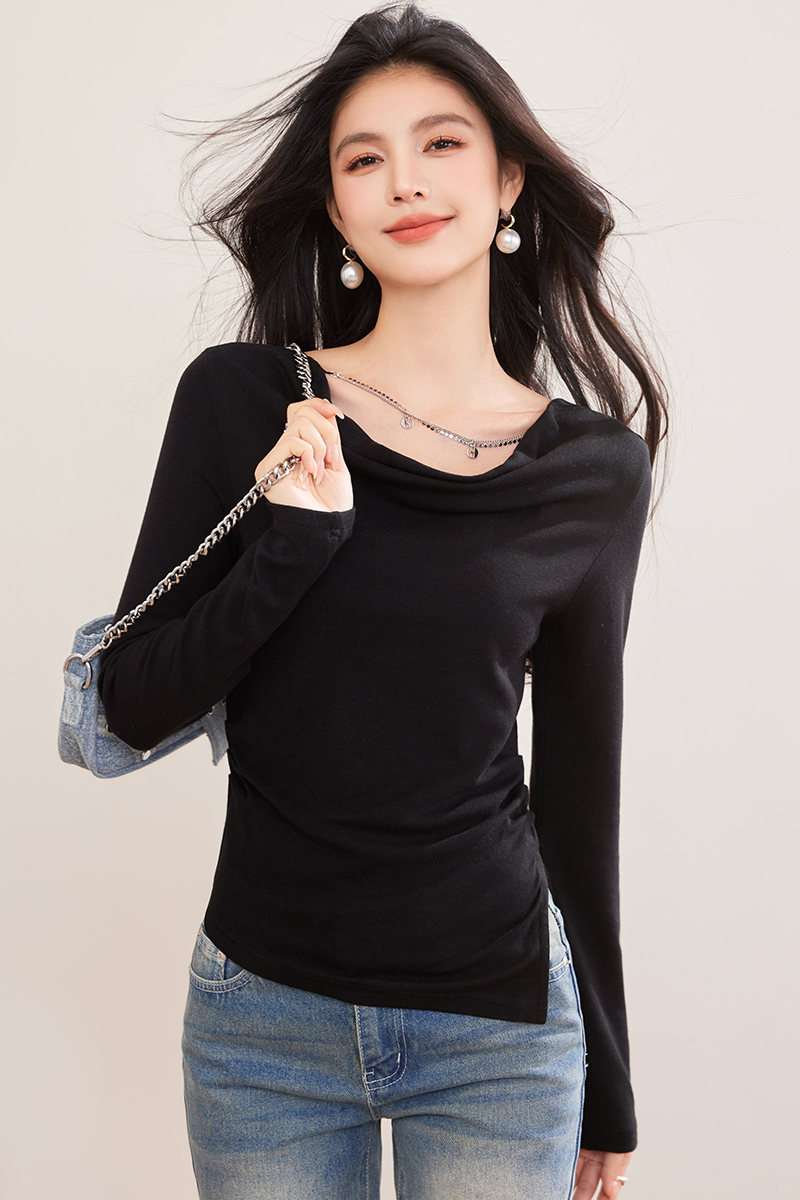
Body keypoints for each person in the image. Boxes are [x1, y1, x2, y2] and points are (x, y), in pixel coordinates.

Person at [98, 5, 667, 1197]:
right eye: (364, 159)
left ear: (507, 182)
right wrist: (292, 542)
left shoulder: (591, 472)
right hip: (262, 1027)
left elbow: (577, 791)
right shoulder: (246, 403)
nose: (404, 179)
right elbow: (132, 699)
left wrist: (608, 1080)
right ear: (335, 208)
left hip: (499, 1036)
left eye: (441, 143)